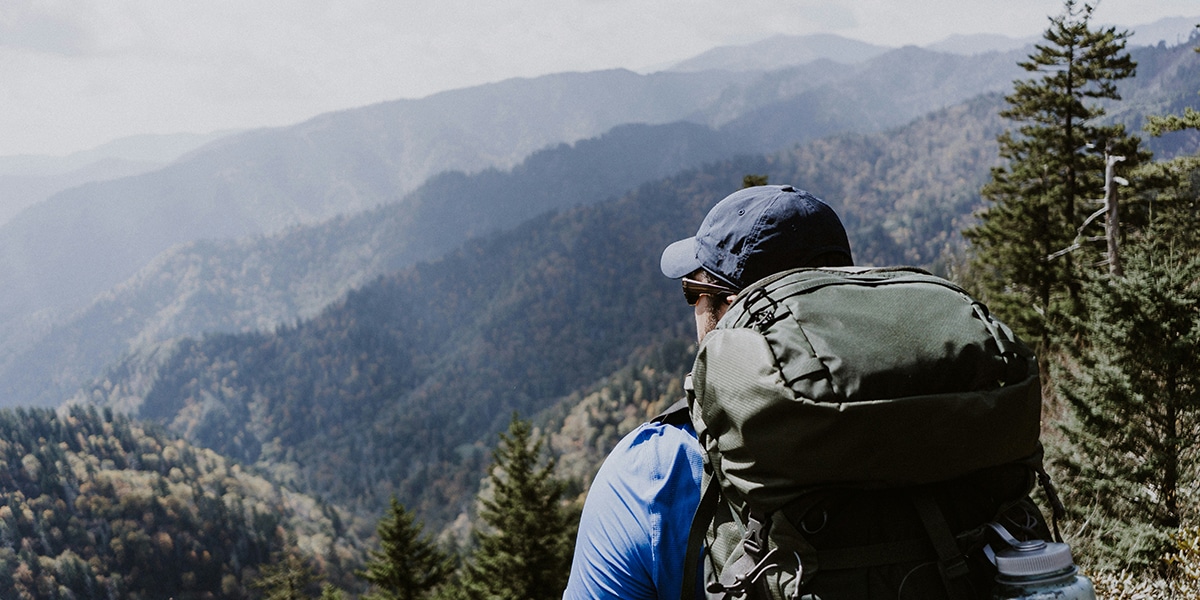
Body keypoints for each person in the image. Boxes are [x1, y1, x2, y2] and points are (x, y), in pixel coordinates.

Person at [563, 184, 854, 599]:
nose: (694, 310)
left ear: (729, 309)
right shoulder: (933, 424)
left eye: (693, 294)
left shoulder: (650, 475)